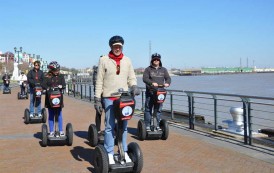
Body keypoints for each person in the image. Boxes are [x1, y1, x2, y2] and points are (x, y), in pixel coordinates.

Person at [94, 35, 140, 164]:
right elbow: (99, 81)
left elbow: (131, 77)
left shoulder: (127, 60)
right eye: (115, 46)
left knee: (123, 126)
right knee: (109, 126)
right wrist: (97, 99)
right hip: (109, 97)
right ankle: (109, 153)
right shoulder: (104, 60)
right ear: (111, 47)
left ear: (122, 47)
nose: (117, 48)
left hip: (124, 99)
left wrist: (134, 86)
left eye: (119, 46)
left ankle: (123, 151)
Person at [143, 53, 171, 131]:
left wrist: (167, 83)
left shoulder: (163, 69)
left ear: (159, 61)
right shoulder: (148, 69)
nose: (156, 60)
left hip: (160, 93)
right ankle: (147, 125)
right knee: (148, 109)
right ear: (152, 60)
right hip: (150, 93)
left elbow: (168, 78)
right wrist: (151, 83)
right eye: (154, 59)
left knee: (158, 109)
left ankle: (157, 125)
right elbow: (145, 79)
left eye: (157, 59)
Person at [42, 61, 66, 137]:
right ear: (51, 70)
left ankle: (61, 130)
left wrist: (61, 86)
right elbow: (43, 84)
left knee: (59, 114)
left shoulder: (61, 76)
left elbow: (64, 85)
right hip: (50, 97)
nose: (57, 72)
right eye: (56, 70)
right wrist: (48, 88)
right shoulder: (47, 76)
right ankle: (51, 131)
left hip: (58, 97)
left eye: (58, 70)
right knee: (51, 114)